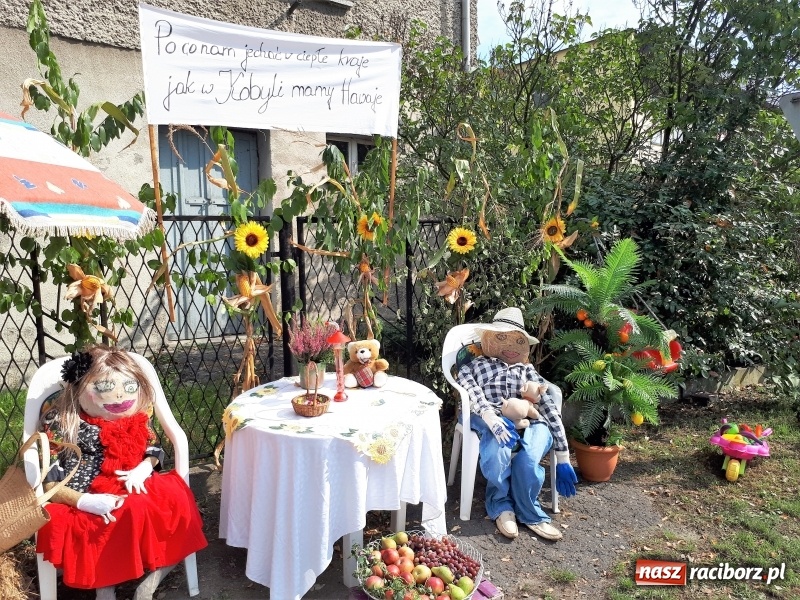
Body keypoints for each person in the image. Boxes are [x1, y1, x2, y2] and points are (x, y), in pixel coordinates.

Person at [36, 345, 207, 600]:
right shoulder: (63, 423)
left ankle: (154, 576)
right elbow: (49, 478)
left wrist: (143, 467)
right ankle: (106, 586)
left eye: (129, 388)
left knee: (171, 503)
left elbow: (154, 447)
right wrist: (84, 501)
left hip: (135, 482)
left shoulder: (136, 420)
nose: (119, 398)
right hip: (84, 491)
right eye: (104, 389)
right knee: (104, 520)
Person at [456, 307, 578, 541]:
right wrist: (493, 419)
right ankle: (501, 505)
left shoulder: (528, 371)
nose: (510, 347)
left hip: (530, 419)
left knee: (530, 455)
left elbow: (548, 407)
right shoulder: (475, 365)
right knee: (497, 449)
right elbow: (471, 392)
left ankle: (529, 511)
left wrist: (563, 455)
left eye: (517, 341)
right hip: (490, 414)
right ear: (489, 339)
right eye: (502, 338)